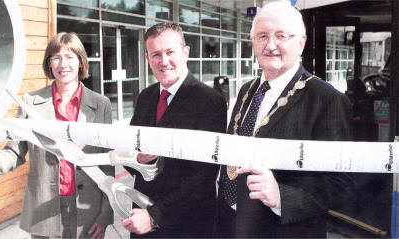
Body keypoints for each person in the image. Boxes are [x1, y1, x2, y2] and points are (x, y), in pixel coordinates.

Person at [216, 2, 355, 238]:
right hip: (232, 224)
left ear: (300, 43)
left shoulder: (327, 100)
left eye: (281, 36)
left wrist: (281, 197)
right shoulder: (246, 90)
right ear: (253, 43)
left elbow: (341, 183)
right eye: (262, 36)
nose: (270, 45)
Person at [0, 32, 114, 239]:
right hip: (44, 214)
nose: (63, 64)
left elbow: (107, 163)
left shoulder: (101, 105)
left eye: (70, 57)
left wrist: (106, 213)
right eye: (56, 57)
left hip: (88, 210)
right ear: (49, 64)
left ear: (81, 62)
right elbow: (14, 152)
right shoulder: (30, 102)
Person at [121, 22, 227, 238]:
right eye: (156, 54)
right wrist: (137, 159)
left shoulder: (210, 101)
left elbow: (204, 176)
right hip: (142, 220)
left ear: (185, 52)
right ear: (148, 59)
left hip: (186, 225)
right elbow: (127, 151)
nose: (164, 61)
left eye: (170, 52)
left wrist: (155, 216)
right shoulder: (146, 96)